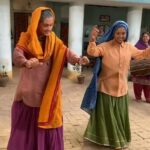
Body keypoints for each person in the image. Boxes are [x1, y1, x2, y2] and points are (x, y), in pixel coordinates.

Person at [7, 7, 89, 150]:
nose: (49, 28)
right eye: (45, 25)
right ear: (37, 23)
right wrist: (26, 62)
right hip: (30, 94)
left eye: (51, 25)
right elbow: (17, 55)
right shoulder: (26, 38)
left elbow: (66, 52)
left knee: (47, 127)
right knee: (27, 130)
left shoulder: (53, 40)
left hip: (48, 94)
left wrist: (78, 59)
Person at [83, 20, 150, 150]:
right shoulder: (105, 46)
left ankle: (117, 137)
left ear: (126, 34)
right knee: (107, 117)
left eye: (123, 33)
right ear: (113, 33)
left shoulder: (129, 47)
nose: (120, 36)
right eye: (118, 33)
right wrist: (92, 39)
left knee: (118, 118)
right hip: (106, 88)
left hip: (122, 90)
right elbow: (93, 52)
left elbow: (141, 55)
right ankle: (112, 140)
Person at [132, 32, 150, 103]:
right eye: (144, 36)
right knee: (138, 82)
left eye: (147, 36)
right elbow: (134, 55)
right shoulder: (138, 45)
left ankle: (148, 97)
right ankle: (138, 96)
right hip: (140, 67)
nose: (145, 38)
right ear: (142, 38)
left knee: (148, 83)